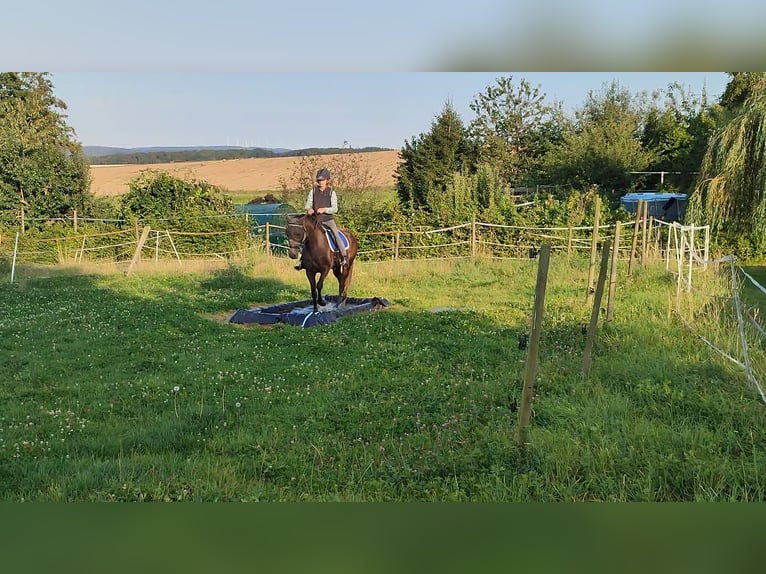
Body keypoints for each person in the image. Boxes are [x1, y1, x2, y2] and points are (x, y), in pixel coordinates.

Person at [295, 168, 348, 269]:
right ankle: (302, 260)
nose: (320, 182)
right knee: (304, 234)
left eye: (322, 180)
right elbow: (308, 204)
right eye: (319, 180)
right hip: (314, 220)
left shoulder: (332, 192)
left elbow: (335, 209)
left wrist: (324, 209)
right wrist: (309, 209)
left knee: (336, 235)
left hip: (327, 220)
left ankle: (344, 257)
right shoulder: (313, 191)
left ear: (327, 180)